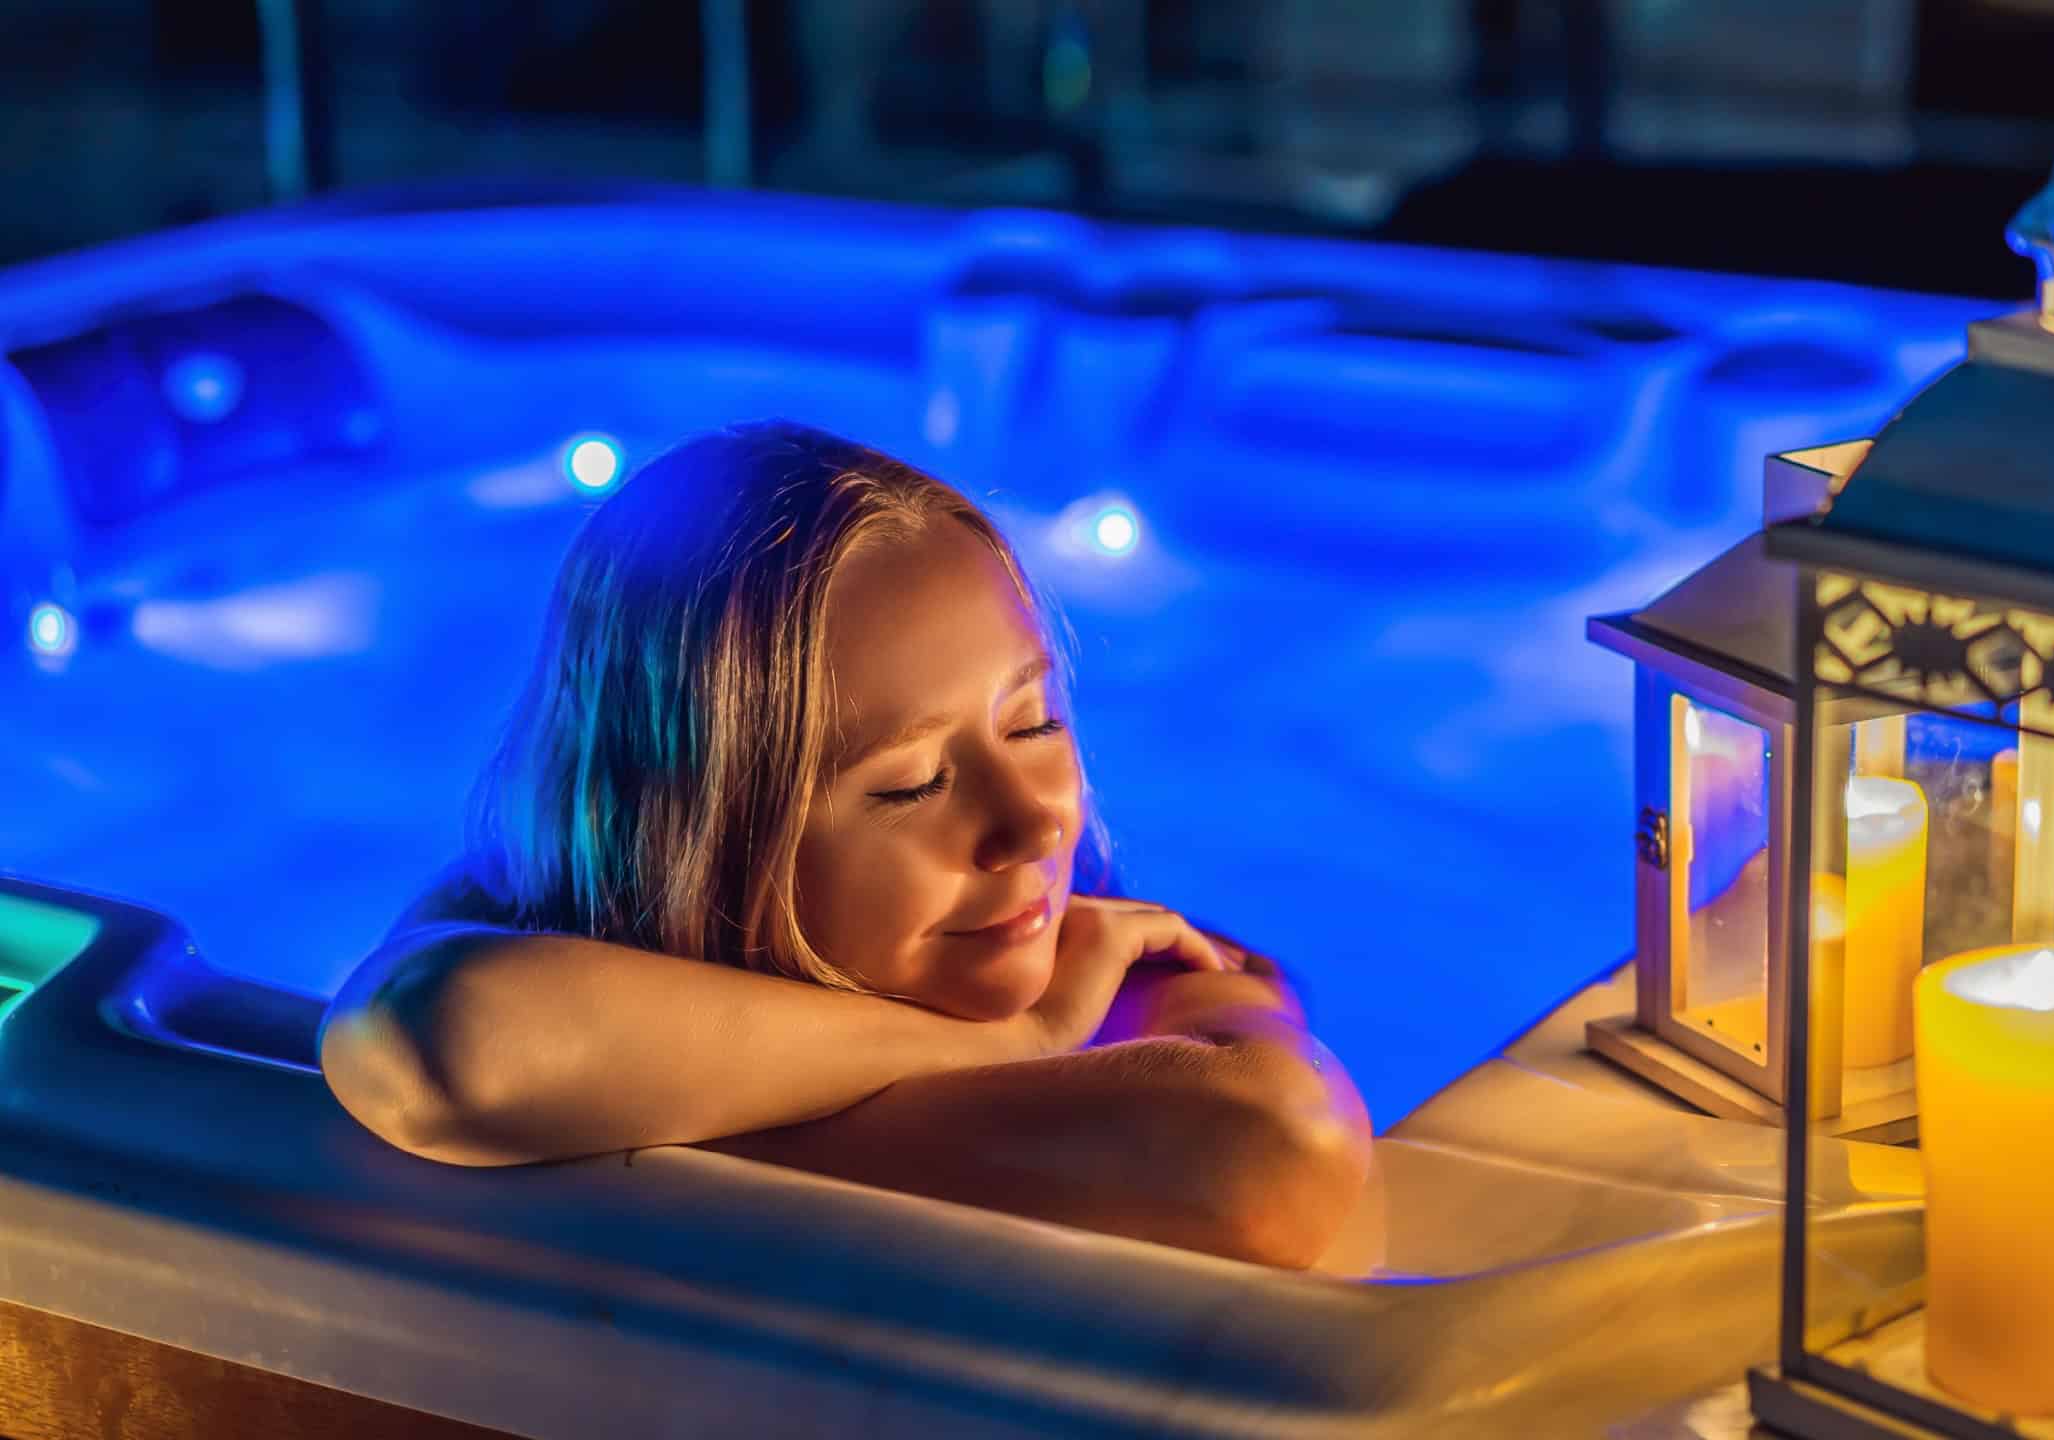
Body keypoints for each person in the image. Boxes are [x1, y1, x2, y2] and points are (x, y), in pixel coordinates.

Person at [318, 420, 1371, 1269]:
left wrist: (653, 1128)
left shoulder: (1132, 965)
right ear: (697, 837)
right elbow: (443, 1042)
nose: (1037, 823)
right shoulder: (549, 914)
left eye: (1034, 723)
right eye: (913, 783)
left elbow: (1276, 1149)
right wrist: (1014, 1043)